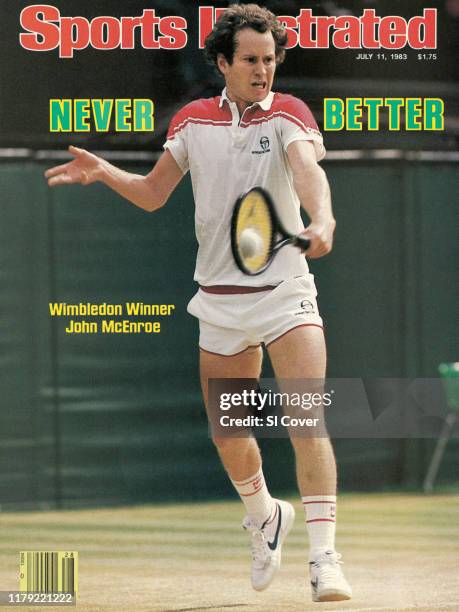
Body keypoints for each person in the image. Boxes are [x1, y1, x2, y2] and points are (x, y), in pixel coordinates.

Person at [45, 3, 351, 604]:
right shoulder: (190, 121)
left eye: (270, 59)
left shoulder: (290, 113)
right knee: (228, 435)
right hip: (220, 301)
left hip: (285, 292)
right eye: (251, 60)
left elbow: (307, 168)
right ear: (222, 63)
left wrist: (324, 217)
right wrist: (105, 170)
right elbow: (155, 193)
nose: (263, 70)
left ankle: (325, 558)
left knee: (306, 420)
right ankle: (265, 517)